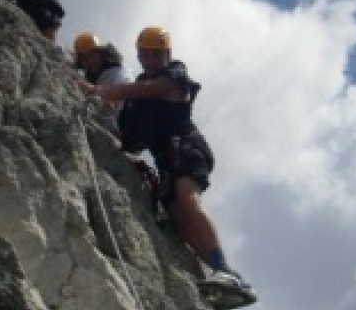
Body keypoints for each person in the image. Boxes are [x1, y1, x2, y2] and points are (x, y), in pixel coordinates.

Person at [76, 26, 256, 307]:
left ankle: (223, 269)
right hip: (166, 163)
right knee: (180, 224)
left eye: (155, 55)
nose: (150, 60)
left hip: (186, 147)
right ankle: (226, 277)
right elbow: (132, 140)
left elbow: (146, 90)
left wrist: (98, 91)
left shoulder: (173, 77)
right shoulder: (139, 95)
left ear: (166, 55)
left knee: (187, 195)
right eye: (145, 55)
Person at [74, 31, 132, 133]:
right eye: (85, 58)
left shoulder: (117, 72)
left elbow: (125, 91)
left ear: (101, 54)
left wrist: (110, 100)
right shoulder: (89, 78)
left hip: (123, 127)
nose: (90, 61)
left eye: (92, 55)